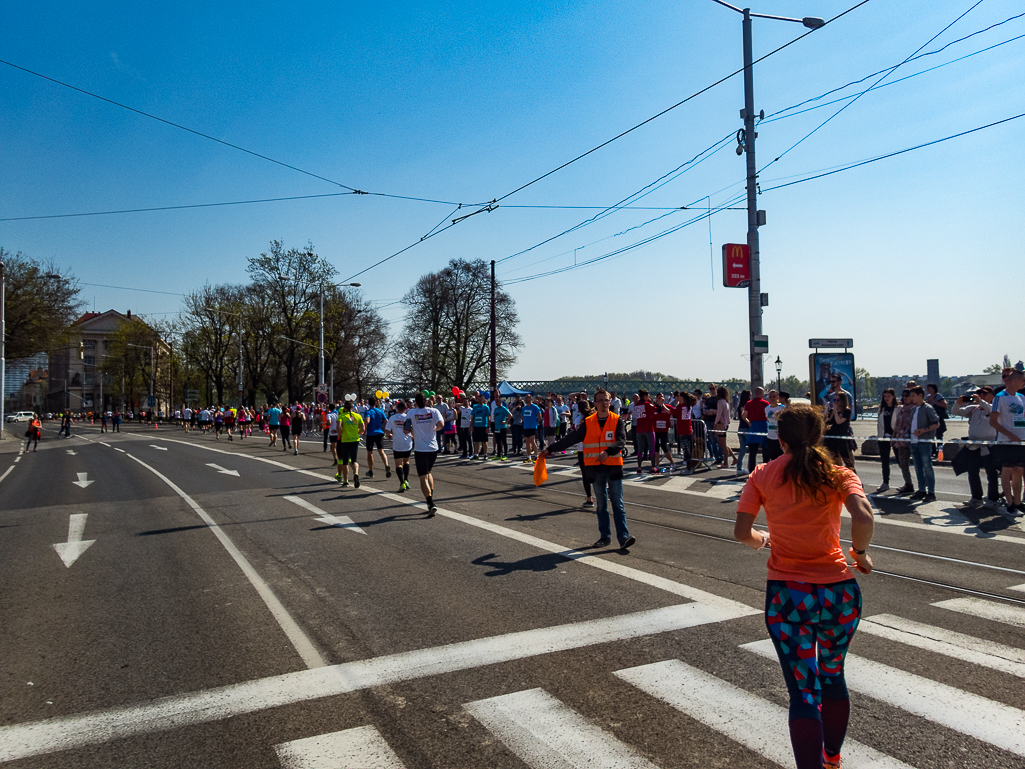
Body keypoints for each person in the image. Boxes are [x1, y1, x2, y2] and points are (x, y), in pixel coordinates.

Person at [734, 404, 874, 769]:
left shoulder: (762, 474)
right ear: (819, 437)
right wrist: (859, 553)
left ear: (780, 441)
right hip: (838, 593)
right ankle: (833, 758)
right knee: (833, 675)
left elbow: (740, 533)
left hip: (788, 594)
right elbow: (863, 515)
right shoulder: (838, 474)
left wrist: (761, 540)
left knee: (803, 691)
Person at [541, 388, 634, 550]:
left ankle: (623, 537)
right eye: (600, 401)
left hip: (613, 468)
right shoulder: (589, 422)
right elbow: (572, 438)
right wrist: (550, 449)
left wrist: (608, 452)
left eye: (606, 400)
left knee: (618, 503)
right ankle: (605, 537)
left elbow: (621, 441)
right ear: (595, 403)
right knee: (601, 504)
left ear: (610, 402)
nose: (604, 403)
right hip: (596, 468)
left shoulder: (617, 420)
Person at [951, 387, 1000, 509]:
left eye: (984, 393)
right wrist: (959, 402)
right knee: (973, 472)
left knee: (991, 473)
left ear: (992, 395)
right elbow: (955, 411)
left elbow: (992, 410)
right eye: (979, 394)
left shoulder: (994, 407)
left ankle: (993, 498)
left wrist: (981, 402)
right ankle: (976, 497)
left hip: (989, 445)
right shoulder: (973, 409)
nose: (981, 395)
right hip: (973, 446)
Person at [989, 368, 1025, 516]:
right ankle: (1009, 503)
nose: (1024, 383)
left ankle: (1018, 501)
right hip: (1007, 441)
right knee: (1008, 470)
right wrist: (1010, 434)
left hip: (1021, 441)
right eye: (1023, 380)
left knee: (1019, 470)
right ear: (1015, 380)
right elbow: (993, 421)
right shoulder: (1000, 397)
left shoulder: (1022, 397)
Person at [404, 393, 445, 516]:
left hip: (421, 448)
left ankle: (430, 502)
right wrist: (433, 430)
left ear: (415, 402)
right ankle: (431, 494)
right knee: (429, 473)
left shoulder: (411, 413)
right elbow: (441, 425)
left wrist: (413, 431)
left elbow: (406, 429)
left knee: (422, 477)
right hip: (433, 447)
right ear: (426, 401)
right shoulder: (434, 411)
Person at [907, 386, 939, 501]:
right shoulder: (913, 409)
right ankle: (921, 490)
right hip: (914, 442)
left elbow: (936, 423)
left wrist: (923, 430)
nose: (912, 398)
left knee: (927, 466)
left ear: (920, 395)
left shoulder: (928, 408)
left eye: (913, 396)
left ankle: (931, 492)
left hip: (924, 442)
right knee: (918, 467)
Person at [890, 390, 916, 495]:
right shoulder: (900, 409)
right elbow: (897, 424)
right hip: (901, 440)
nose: (905, 398)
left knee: (919, 465)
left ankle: (924, 486)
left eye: (907, 396)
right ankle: (908, 484)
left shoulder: (915, 409)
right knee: (903, 463)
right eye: (903, 396)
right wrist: (893, 437)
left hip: (913, 440)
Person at [385, 399, 413, 492]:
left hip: (397, 443)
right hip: (407, 443)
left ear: (397, 408)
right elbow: (412, 429)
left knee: (398, 464)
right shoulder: (408, 418)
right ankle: (406, 480)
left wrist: (389, 435)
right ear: (405, 408)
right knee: (406, 462)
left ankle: (401, 483)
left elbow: (387, 432)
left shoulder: (392, 418)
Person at [336, 398, 365, 487]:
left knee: (345, 462)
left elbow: (338, 427)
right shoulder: (358, 416)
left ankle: (346, 481)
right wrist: (358, 432)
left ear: (344, 407)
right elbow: (363, 428)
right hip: (355, 440)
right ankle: (355, 473)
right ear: (352, 407)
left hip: (345, 440)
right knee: (354, 460)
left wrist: (340, 435)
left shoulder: (342, 416)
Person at [875, 389, 899, 491]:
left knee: (900, 460)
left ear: (893, 396)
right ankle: (885, 482)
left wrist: (894, 434)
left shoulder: (898, 409)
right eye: (885, 396)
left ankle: (908, 483)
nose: (886, 398)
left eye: (888, 396)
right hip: (883, 438)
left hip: (895, 437)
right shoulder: (881, 409)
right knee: (885, 461)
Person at [825, 392, 856, 470]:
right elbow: (827, 421)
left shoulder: (846, 411)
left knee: (846, 460)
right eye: (834, 400)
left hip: (841, 439)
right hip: (832, 439)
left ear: (842, 400)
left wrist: (836, 411)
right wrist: (828, 411)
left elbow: (839, 421)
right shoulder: (831, 411)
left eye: (838, 400)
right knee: (835, 460)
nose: (835, 402)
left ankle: (854, 476)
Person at [743, 387, 770, 473]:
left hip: (753, 426)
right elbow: (769, 416)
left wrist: (748, 422)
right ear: (761, 393)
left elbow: (744, 416)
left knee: (752, 451)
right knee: (765, 450)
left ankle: (751, 470)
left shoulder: (749, 403)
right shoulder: (766, 403)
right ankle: (765, 470)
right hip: (763, 426)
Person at [363, 397, 391, 479]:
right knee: (381, 451)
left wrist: (364, 428)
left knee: (370, 453)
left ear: (369, 403)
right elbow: (386, 421)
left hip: (371, 434)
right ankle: (386, 465)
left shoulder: (367, 412)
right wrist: (385, 429)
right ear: (375, 403)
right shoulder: (380, 411)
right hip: (379, 433)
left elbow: (367, 420)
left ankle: (371, 471)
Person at [631, 390, 656, 473]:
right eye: (648, 395)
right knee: (651, 448)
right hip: (648, 428)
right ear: (645, 396)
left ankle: (639, 467)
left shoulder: (636, 405)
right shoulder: (647, 404)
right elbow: (655, 409)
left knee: (640, 449)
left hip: (639, 429)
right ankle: (653, 467)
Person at [650, 393, 675, 473]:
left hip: (664, 430)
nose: (661, 398)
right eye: (659, 397)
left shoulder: (667, 406)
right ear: (656, 398)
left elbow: (669, 412)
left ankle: (672, 462)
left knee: (664, 447)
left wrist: (663, 405)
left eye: (662, 397)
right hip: (656, 430)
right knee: (656, 447)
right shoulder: (654, 407)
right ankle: (657, 464)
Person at [713, 386, 736, 469]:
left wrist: (715, 423)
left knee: (722, 443)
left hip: (720, 423)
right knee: (723, 443)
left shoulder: (720, 402)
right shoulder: (726, 402)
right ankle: (733, 457)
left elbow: (719, 414)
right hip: (725, 423)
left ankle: (725, 462)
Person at [926, 384, 948, 459]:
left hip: (938, 418)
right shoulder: (928, 396)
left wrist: (934, 402)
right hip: (929, 419)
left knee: (939, 436)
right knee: (930, 436)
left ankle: (940, 452)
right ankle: (933, 451)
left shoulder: (938, 396)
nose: (928, 389)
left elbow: (945, 405)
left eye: (930, 388)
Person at [763, 390, 786, 462]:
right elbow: (768, 420)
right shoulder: (767, 409)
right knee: (773, 457)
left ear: (777, 397)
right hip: (770, 436)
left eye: (774, 397)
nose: (772, 398)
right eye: (770, 397)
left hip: (779, 436)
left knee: (781, 457)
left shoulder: (782, 408)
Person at [520, 393, 542, 463]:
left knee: (533, 441)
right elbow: (522, 416)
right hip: (526, 427)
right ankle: (528, 457)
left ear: (531, 399)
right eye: (526, 398)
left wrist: (536, 423)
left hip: (533, 426)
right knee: (527, 442)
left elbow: (539, 416)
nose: (526, 399)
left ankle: (536, 456)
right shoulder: (524, 408)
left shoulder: (535, 407)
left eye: (528, 398)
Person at [471, 393, 491, 460]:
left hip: (483, 426)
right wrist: (471, 425)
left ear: (483, 400)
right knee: (476, 441)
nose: (480, 401)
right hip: (476, 425)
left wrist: (488, 427)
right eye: (479, 399)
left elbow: (488, 417)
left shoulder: (486, 407)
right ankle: (476, 454)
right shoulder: (475, 407)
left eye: (481, 399)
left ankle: (485, 454)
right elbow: (472, 417)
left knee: (484, 441)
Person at [492, 395, 511, 461]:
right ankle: (499, 454)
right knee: (498, 441)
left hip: (502, 427)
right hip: (497, 427)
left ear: (501, 401)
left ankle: (505, 454)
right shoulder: (496, 409)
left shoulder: (503, 408)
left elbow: (510, 415)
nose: (497, 403)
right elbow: (494, 416)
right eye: (496, 401)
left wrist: (506, 422)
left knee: (504, 441)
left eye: (498, 401)